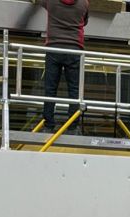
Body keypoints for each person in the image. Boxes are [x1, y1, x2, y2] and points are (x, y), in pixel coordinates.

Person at [31, 0, 89, 133]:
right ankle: (73, 126)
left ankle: (49, 125)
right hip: (74, 49)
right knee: (74, 90)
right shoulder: (84, 3)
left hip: (54, 47)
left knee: (50, 89)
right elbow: (85, 21)